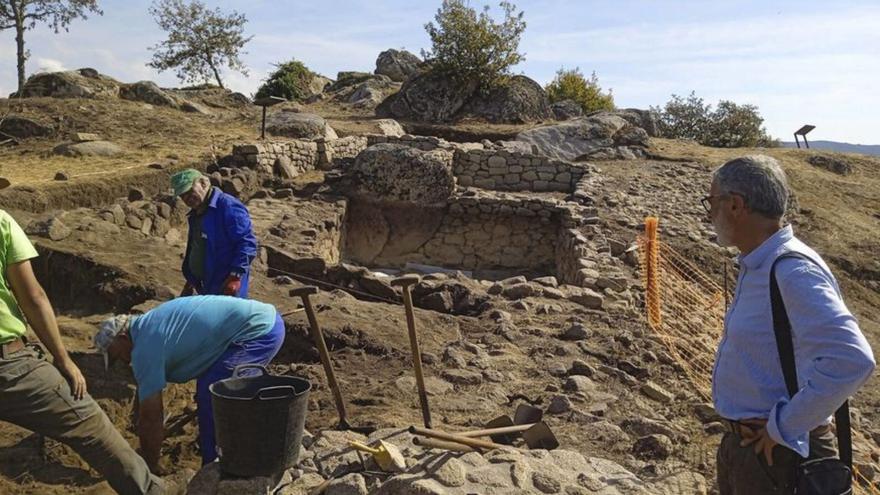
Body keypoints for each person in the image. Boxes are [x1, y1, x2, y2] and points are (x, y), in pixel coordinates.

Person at [707, 155, 875, 494]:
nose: (709, 213)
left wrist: (781, 428)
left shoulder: (792, 271)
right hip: (756, 449)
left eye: (712, 202)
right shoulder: (761, 262)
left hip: (779, 457)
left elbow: (852, 360)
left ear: (736, 205)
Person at [0, 209, 163, 494]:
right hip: (11, 367)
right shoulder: (1, 221)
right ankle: (149, 490)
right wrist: (63, 359)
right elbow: (33, 297)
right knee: (93, 428)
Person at [94, 295, 285, 470]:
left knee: (215, 397)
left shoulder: (144, 349)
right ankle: (216, 452)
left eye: (116, 355)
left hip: (259, 331)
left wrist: (149, 466)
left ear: (122, 337)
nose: (124, 361)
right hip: (257, 321)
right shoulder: (146, 326)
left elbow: (151, 418)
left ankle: (221, 466)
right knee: (209, 391)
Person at [172, 168, 258, 298]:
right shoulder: (196, 213)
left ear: (204, 183)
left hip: (226, 284)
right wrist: (191, 280)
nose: (186, 198)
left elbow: (247, 242)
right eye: (182, 195)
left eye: (190, 191)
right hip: (207, 284)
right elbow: (197, 247)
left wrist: (235, 276)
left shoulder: (227, 206)